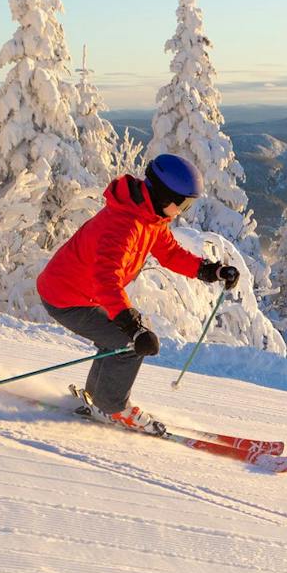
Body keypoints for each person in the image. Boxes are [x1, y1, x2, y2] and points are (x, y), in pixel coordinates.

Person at [35, 153, 239, 432]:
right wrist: (132, 327)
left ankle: (99, 400)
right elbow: (106, 279)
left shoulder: (148, 217)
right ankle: (112, 407)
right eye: (183, 203)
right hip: (66, 297)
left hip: (81, 293)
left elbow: (169, 252)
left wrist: (209, 271)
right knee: (127, 341)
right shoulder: (124, 225)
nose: (182, 211)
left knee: (119, 339)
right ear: (164, 195)